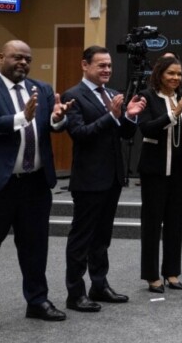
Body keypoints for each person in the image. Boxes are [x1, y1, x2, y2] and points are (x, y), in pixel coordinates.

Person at [0, 40, 72, 337]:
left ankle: (37, 301)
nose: (23, 62)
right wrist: (21, 118)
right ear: (1, 58)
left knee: (35, 248)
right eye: (16, 57)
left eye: (27, 58)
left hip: (34, 184)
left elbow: (50, 125)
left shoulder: (42, 89)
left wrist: (57, 119)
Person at [61, 45, 145, 312]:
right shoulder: (73, 95)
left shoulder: (112, 94)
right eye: (101, 65)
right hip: (88, 179)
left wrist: (129, 117)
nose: (107, 70)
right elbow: (80, 134)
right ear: (85, 65)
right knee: (81, 238)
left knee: (102, 237)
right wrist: (112, 116)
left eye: (109, 65)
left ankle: (99, 284)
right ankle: (75, 293)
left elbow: (125, 136)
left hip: (112, 178)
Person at [137, 56, 182, 293]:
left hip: (179, 170)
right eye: (170, 74)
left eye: (179, 74)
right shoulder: (146, 96)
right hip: (155, 170)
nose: (175, 78)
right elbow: (146, 128)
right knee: (152, 223)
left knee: (175, 223)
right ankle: (152, 275)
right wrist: (175, 113)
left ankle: (172, 272)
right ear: (159, 74)